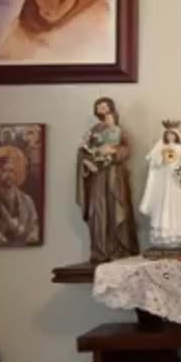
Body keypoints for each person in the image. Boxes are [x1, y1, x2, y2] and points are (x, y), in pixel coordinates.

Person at [76, 96, 139, 262]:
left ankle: (119, 248)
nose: (103, 110)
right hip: (98, 176)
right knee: (98, 210)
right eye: (99, 107)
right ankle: (100, 250)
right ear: (96, 111)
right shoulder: (93, 131)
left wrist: (113, 152)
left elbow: (126, 148)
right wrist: (90, 160)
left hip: (114, 174)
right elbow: (83, 151)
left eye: (105, 107)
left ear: (111, 109)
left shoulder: (118, 129)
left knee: (116, 207)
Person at [139, 125, 181, 251]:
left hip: (177, 182)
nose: (170, 137)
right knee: (164, 202)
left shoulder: (180, 149)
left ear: (176, 136)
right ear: (165, 136)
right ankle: (165, 233)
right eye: (168, 134)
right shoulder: (161, 148)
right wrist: (161, 160)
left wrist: (180, 170)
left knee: (180, 204)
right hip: (165, 182)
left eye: (173, 134)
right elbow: (154, 164)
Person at [0, 148, 40, 246]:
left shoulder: (27, 200)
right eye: (4, 171)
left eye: (11, 171)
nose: (8, 175)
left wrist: (30, 236)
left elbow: (35, 227)